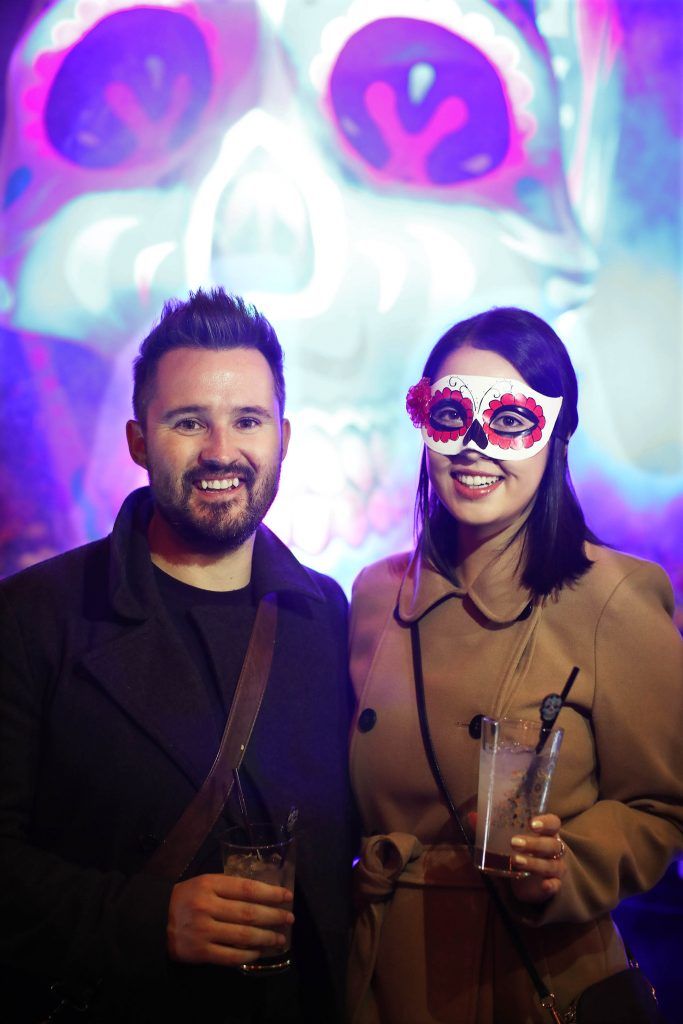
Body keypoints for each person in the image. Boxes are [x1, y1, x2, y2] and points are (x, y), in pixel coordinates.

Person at [0, 288, 357, 1024]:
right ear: (138, 440)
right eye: (188, 422)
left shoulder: (326, 615)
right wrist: (146, 918)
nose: (222, 451)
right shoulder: (36, 615)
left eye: (247, 421)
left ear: (283, 438)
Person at [347, 307, 683, 1024]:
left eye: (505, 422)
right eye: (448, 413)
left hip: (524, 978)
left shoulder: (612, 600)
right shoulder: (375, 596)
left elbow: (662, 807)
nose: (472, 448)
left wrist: (570, 863)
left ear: (555, 437)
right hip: (382, 980)